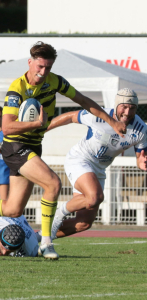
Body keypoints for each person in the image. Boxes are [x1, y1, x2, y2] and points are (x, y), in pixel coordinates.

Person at [0, 41, 126, 260]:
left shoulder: (55, 81)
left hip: (33, 145)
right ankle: (46, 243)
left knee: (13, 209)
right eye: (40, 67)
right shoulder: (17, 89)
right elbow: (7, 126)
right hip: (16, 145)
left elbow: (82, 100)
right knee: (53, 183)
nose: (43, 72)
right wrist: (37, 124)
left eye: (48, 67)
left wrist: (111, 121)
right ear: (30, 63)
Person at [48, 88, 147, 239]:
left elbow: (141, 159)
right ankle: (57, 215)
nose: (127, 112)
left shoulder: (141, 129)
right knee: (95, 197)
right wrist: (42, 129)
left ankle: (38, 238)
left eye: (132, 108)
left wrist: (143, 163)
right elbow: (71, 116)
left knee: (83, 223)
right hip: (80, 159)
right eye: (124, 107)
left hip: (99, 170)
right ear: (116, 105)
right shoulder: (99, 115)